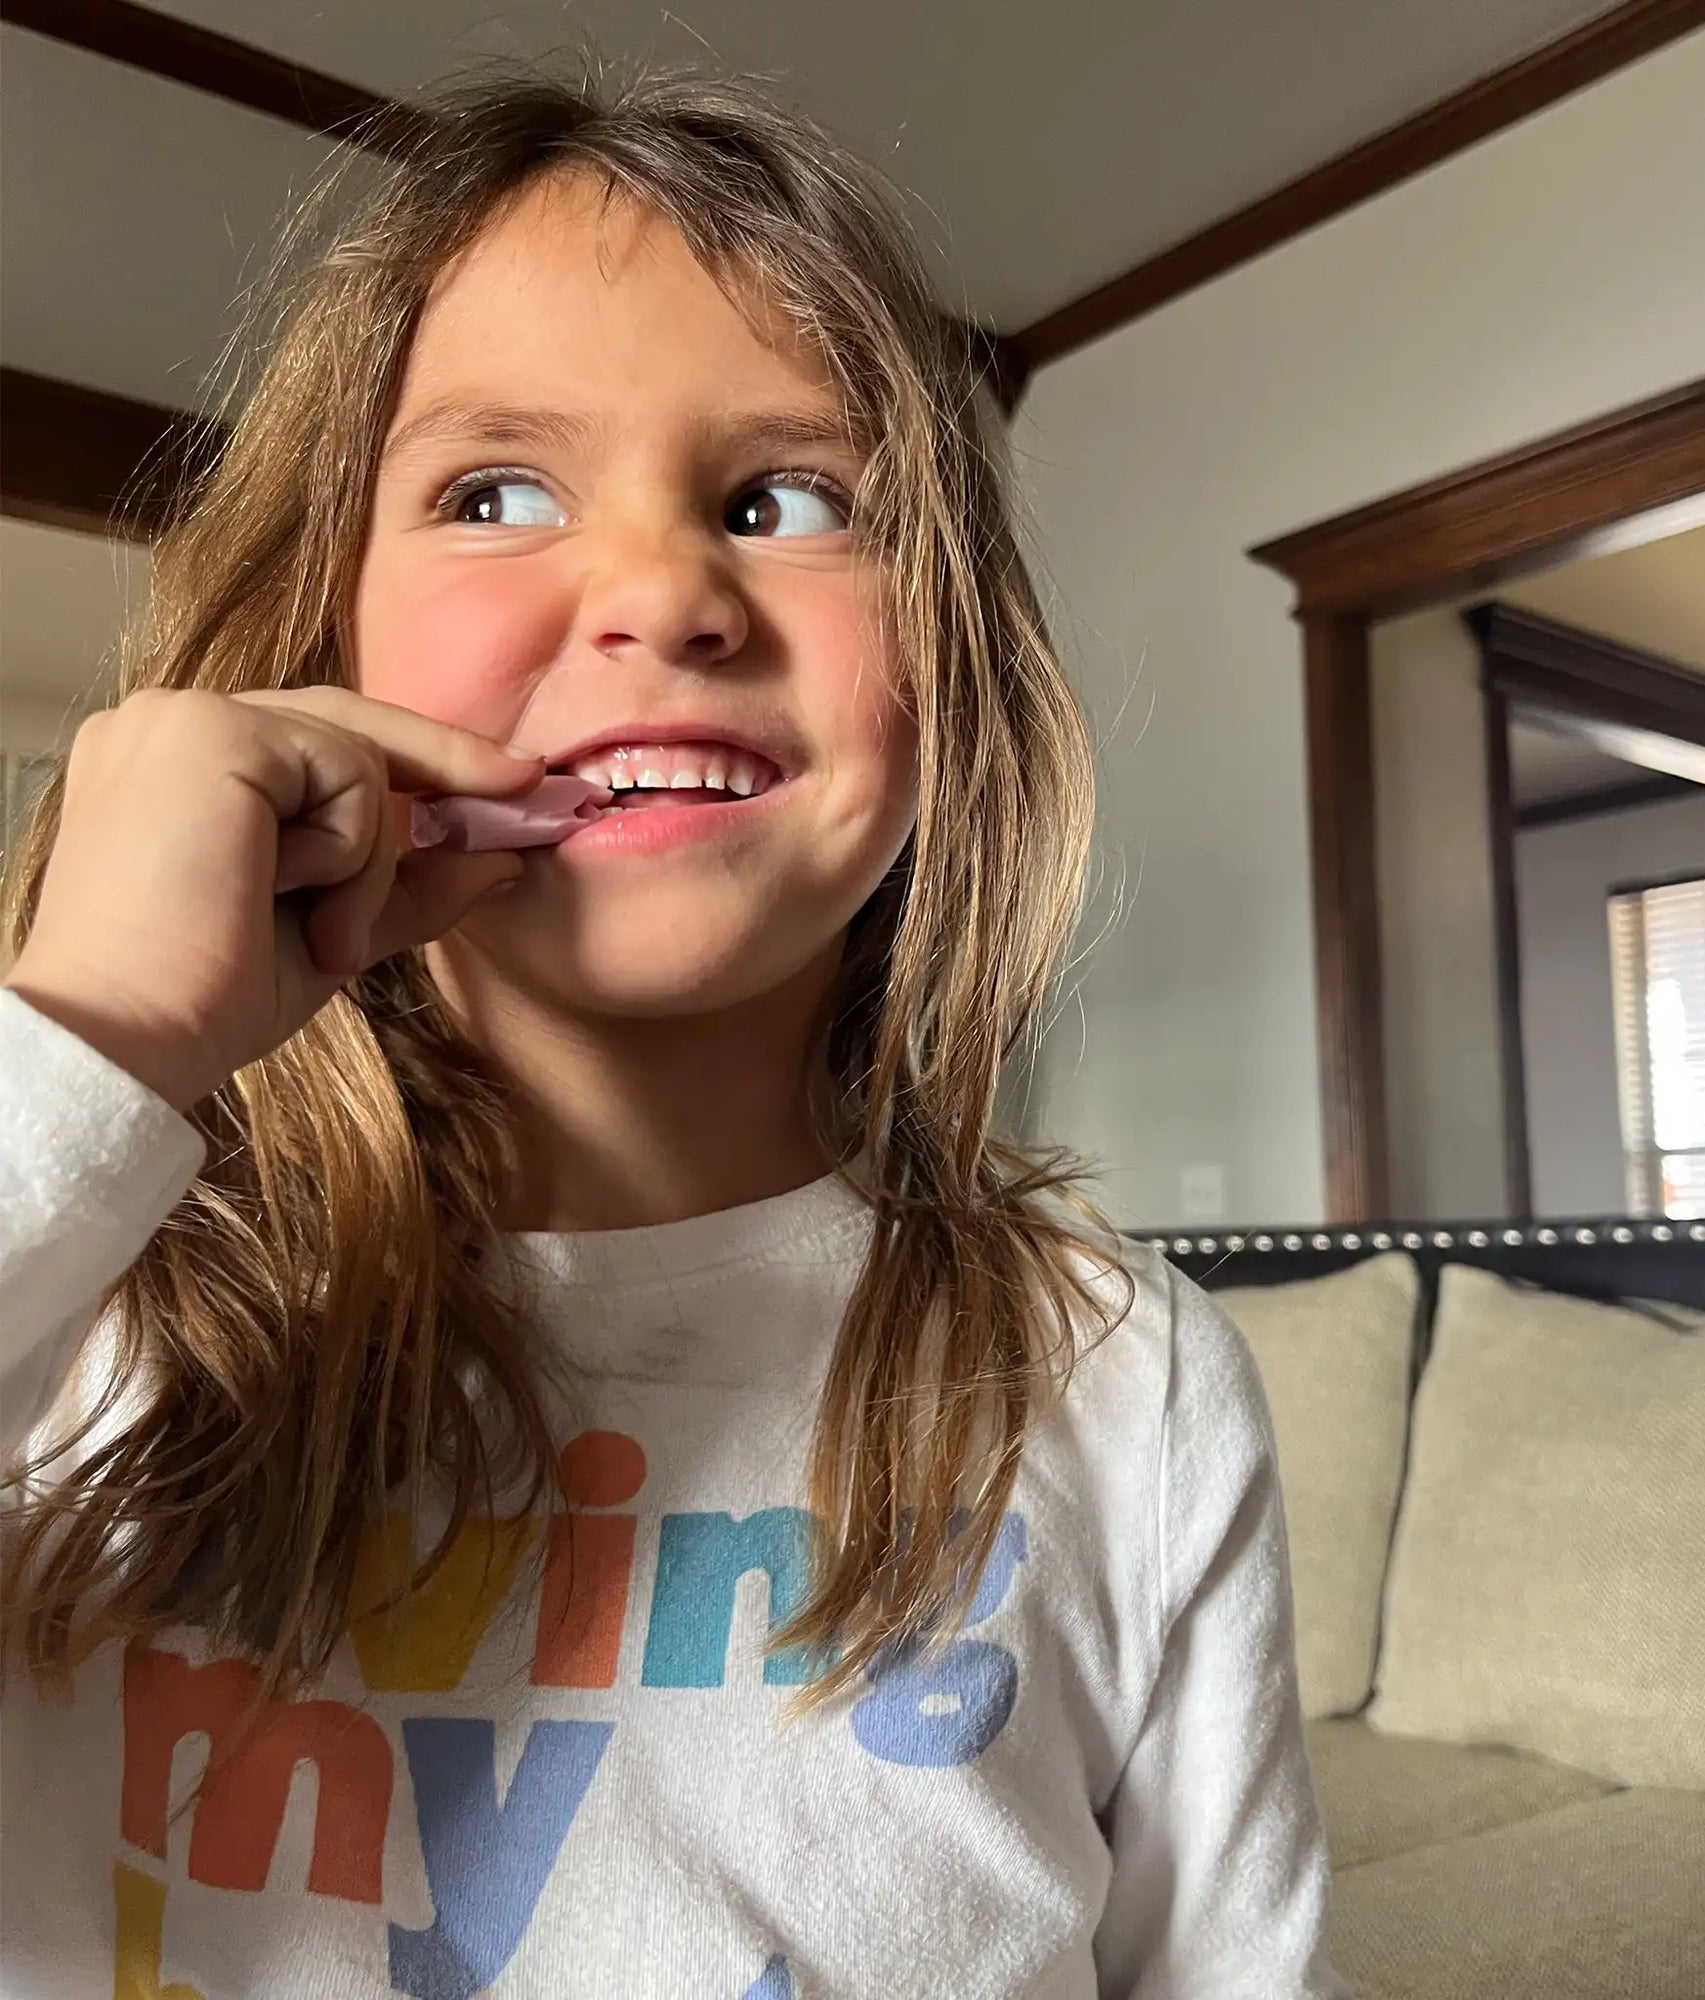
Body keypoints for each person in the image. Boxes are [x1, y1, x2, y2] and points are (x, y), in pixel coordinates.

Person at [0, 62, 1344, 2000]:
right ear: (320, 633)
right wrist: (94, 1030)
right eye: (494, 490)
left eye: (783, 498)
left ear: (948, 678)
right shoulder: (92, 1309)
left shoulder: (1128, 1391)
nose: (658, 590)